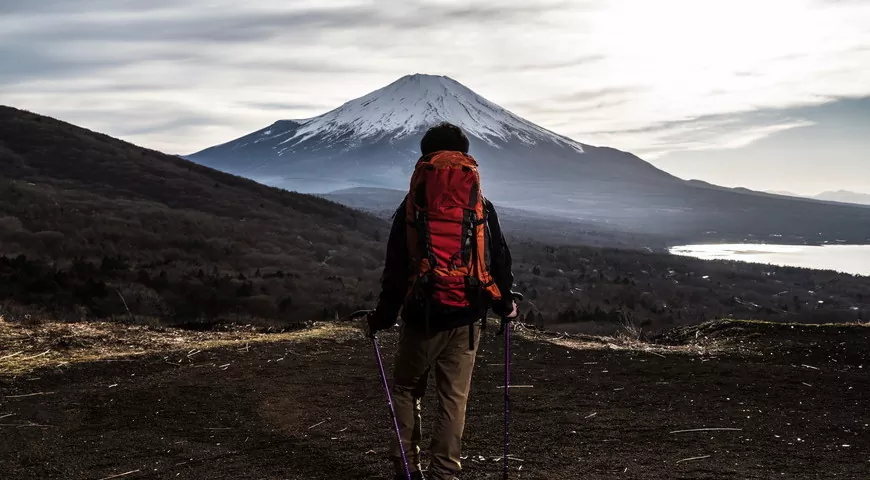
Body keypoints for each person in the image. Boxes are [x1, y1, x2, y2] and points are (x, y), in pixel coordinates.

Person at [363, 122, 518, 480]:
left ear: (424, 157)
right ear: (465, 156)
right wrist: (504, 304)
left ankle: (407, 466)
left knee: (404, 389)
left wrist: (383, 318)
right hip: (467, 318)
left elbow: (396, 269)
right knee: (453, 399)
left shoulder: (412, 205)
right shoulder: (480, 204)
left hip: (421, 316)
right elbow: (498, 259)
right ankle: (444, 473)